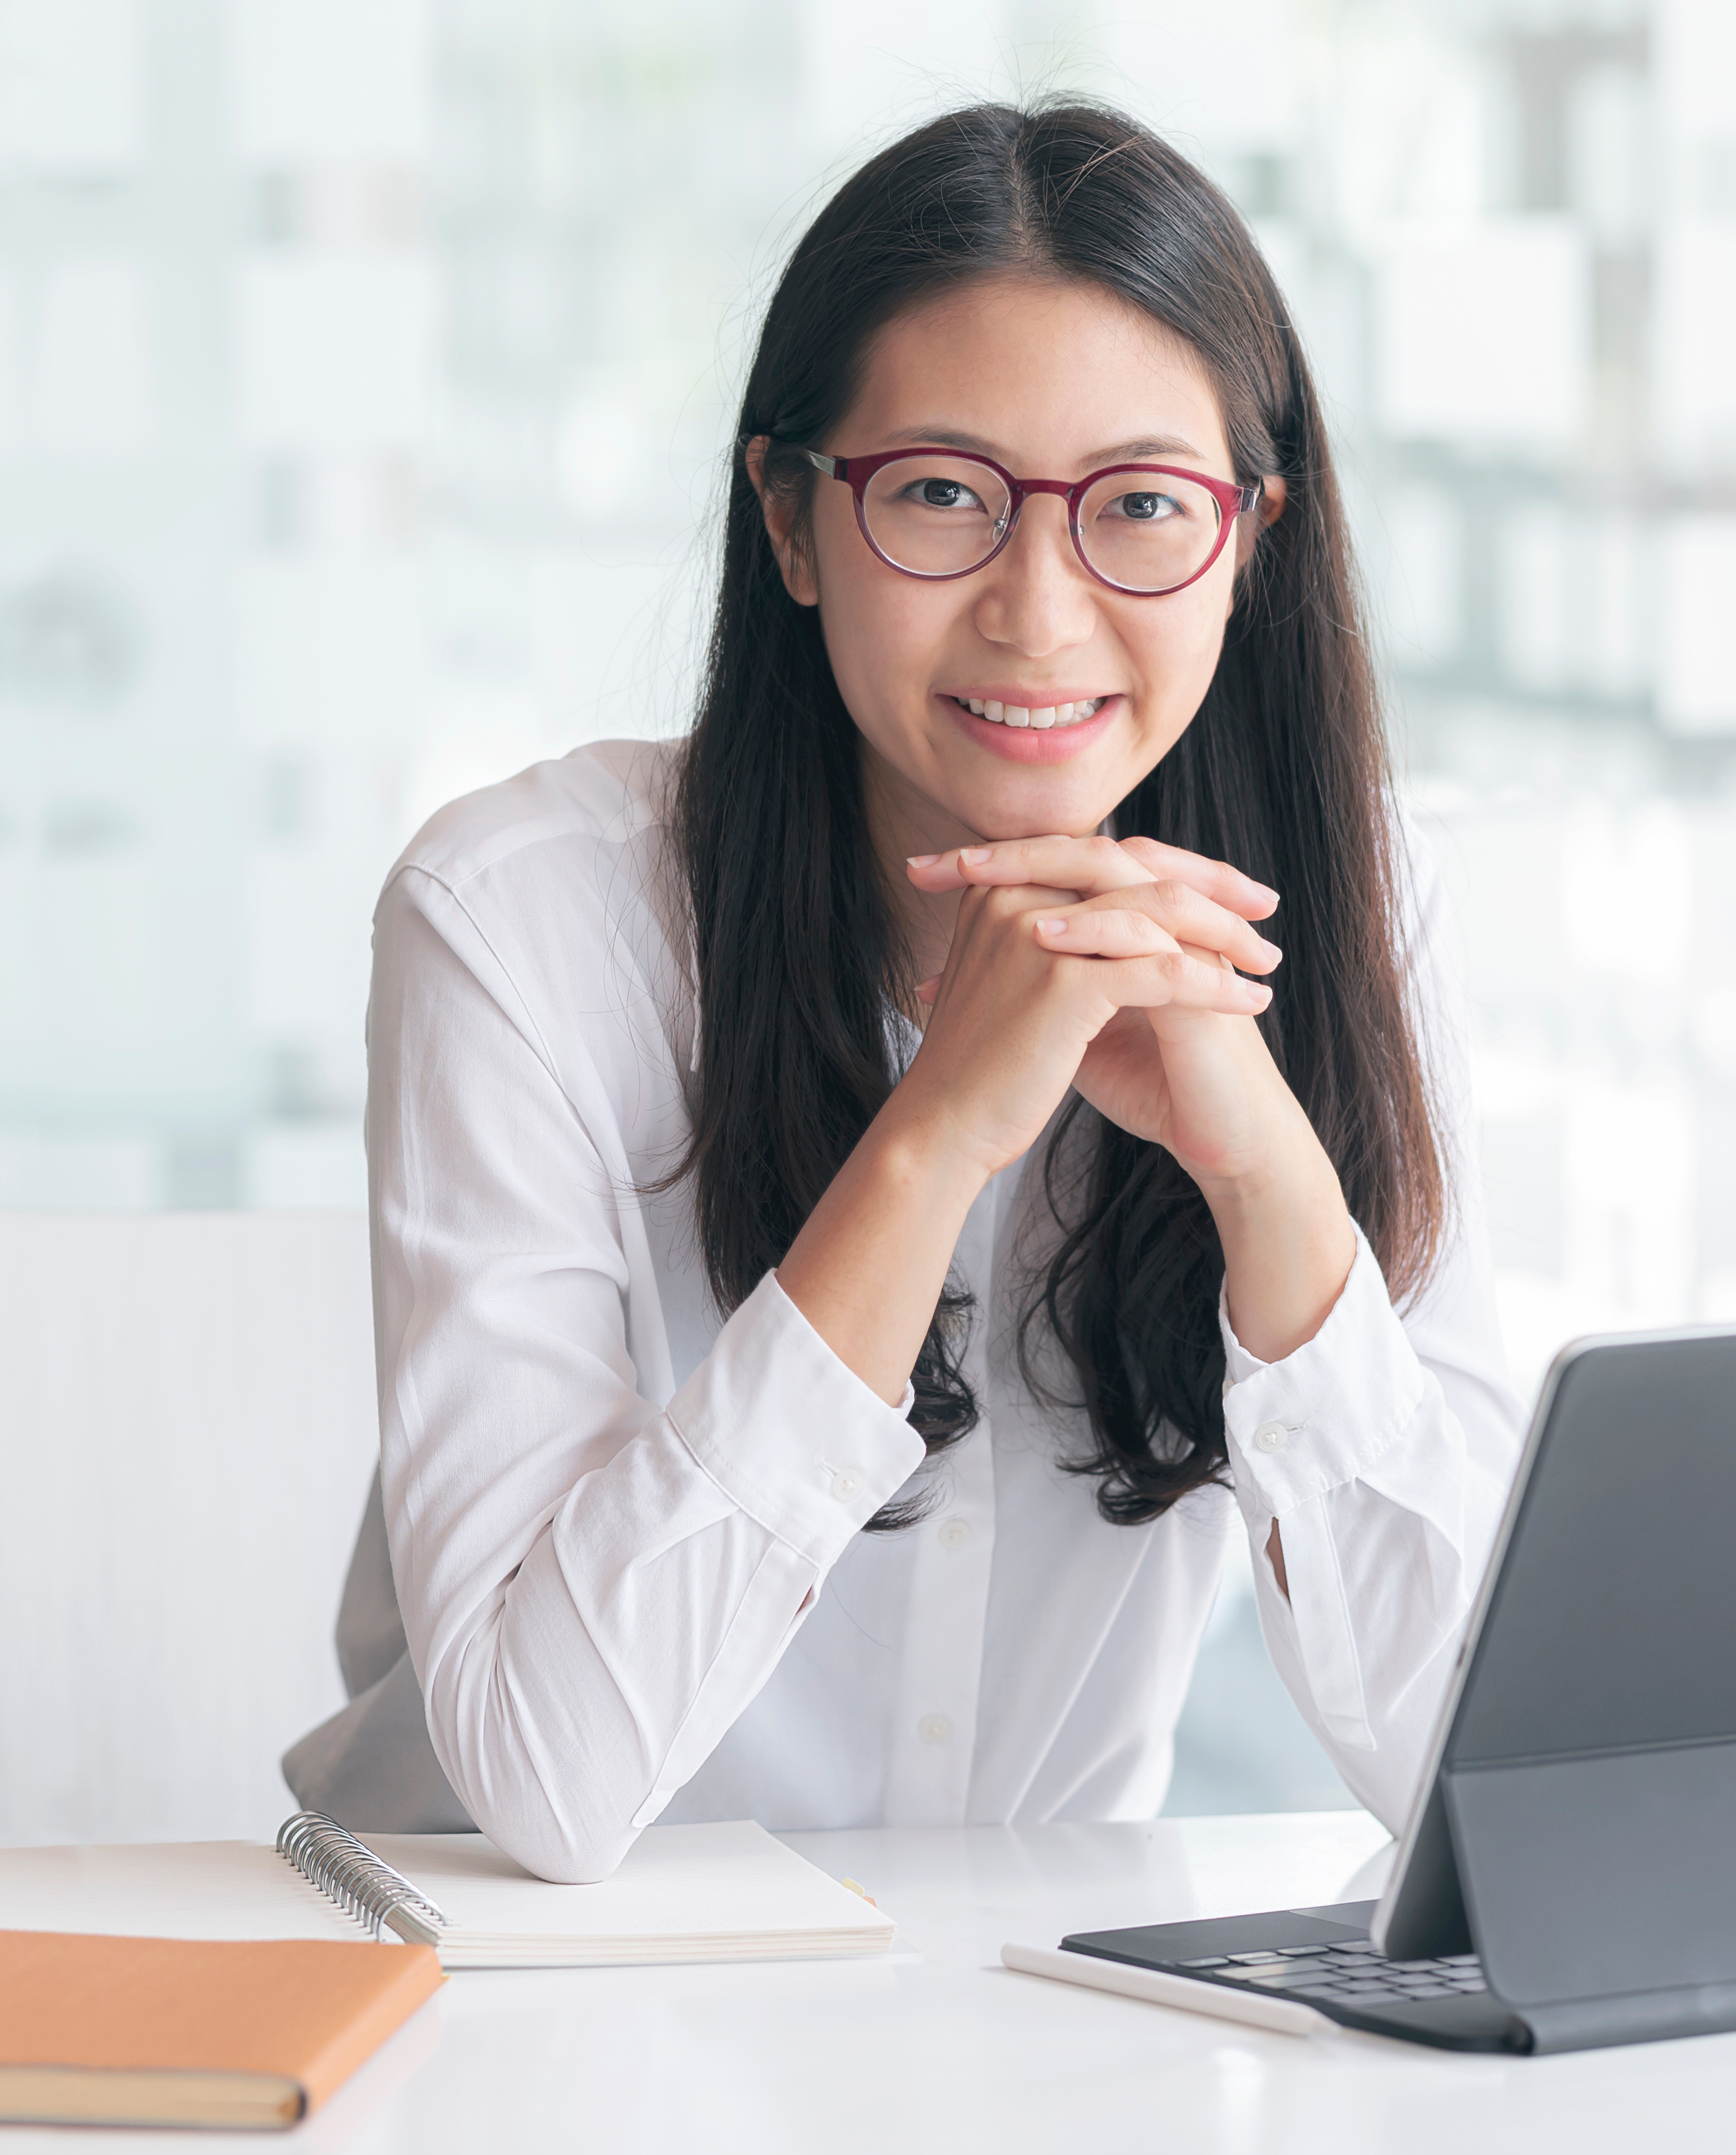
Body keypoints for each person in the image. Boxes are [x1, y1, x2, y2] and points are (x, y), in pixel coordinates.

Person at [284, 101, 1522, 1885]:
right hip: (488, 1986)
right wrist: (934, 1135)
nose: (1036, 610)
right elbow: (545, 1783)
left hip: (1019, 2019)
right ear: (791, 521)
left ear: (1245, 546)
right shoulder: (521, 922)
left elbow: (1462, 1776)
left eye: (1140, 509)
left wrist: (1265, 1176)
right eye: (940, 493)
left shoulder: (1342, 916)